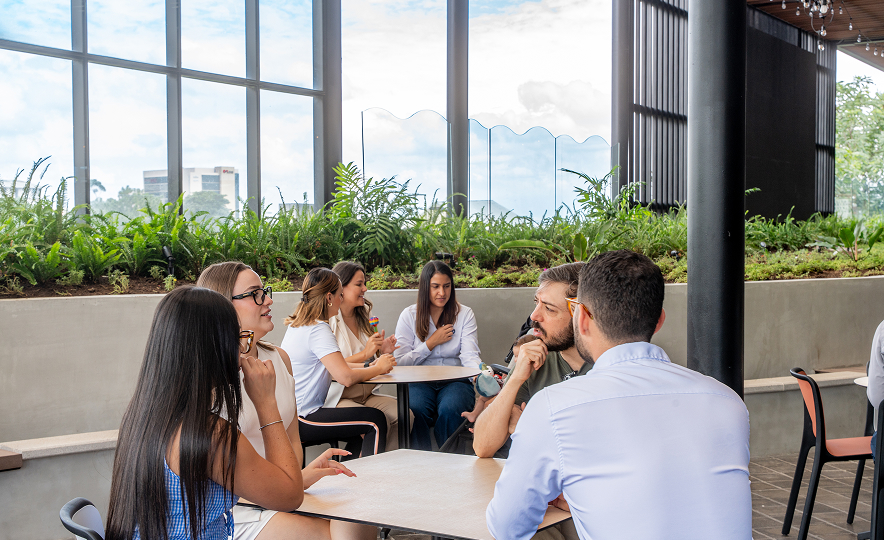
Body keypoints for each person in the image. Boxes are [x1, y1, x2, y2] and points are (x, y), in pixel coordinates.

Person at [486, 250, 751, 540]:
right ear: (659, 320)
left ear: (581, 319)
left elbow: (507, 527)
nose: (537, 316)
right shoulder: (728, 402)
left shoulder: (555, 407)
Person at [106, 286, 307, 540]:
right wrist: (267, 403)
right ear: (214, 348)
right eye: (238, 339)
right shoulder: (209, 435)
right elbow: (289, 495)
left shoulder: (142, 415)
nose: (242, 351)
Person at [196, 262, 376, 540]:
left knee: (361, 517)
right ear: (221, 305)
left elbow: (292, 443)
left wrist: (301, 477)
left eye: (265, 291)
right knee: (338, 534)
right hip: (235, 510)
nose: (269, 299)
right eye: (256, 294)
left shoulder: (279, 359)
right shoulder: (208, 375)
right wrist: (285, 490)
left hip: (282, 495)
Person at [472, 262, 592, 460]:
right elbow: (483, 447)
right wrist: (516, 378)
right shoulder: (534, 356)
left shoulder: (607, 364)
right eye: (536, 303)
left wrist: (532, 429)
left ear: (580, 315)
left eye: (549, 309)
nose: (534, 316)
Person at [281, 268, 395, 457]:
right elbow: (345, 377)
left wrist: (371, 366)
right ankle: (372, 482)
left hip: (294, 413)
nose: (341, 300)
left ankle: (348, 477)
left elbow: (338, 365)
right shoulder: (319, 329)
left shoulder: (299, 325)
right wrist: (378, 368)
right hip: (304, 416)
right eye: (340, 295)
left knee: (360, 430)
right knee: (375, 421)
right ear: (329, 298)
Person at [394, 260, 480, 450]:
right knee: (414, 410)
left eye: (447, 286)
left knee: (451, 409)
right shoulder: (409, 315)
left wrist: (478, 375)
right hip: (419, 380)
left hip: (455, 380)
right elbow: (399, 362)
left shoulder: (464, 314)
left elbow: (469, 354)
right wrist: (430, 343)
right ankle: (419, 465)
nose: (442, 293)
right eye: (435, 287)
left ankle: (448, 464)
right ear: (425, 287)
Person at [328, 261, 410, 450]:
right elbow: (330, 366)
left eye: (364, 283)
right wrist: (366, 353)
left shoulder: (364, 314)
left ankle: (386, 466)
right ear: (341, 287)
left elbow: (371, 362)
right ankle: (367, 468)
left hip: (367, 393)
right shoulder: (329, 320)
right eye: (359, 284)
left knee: (405, 415)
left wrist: (384, 352)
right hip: (339, 397)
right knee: (375, 421)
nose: (365, 288)